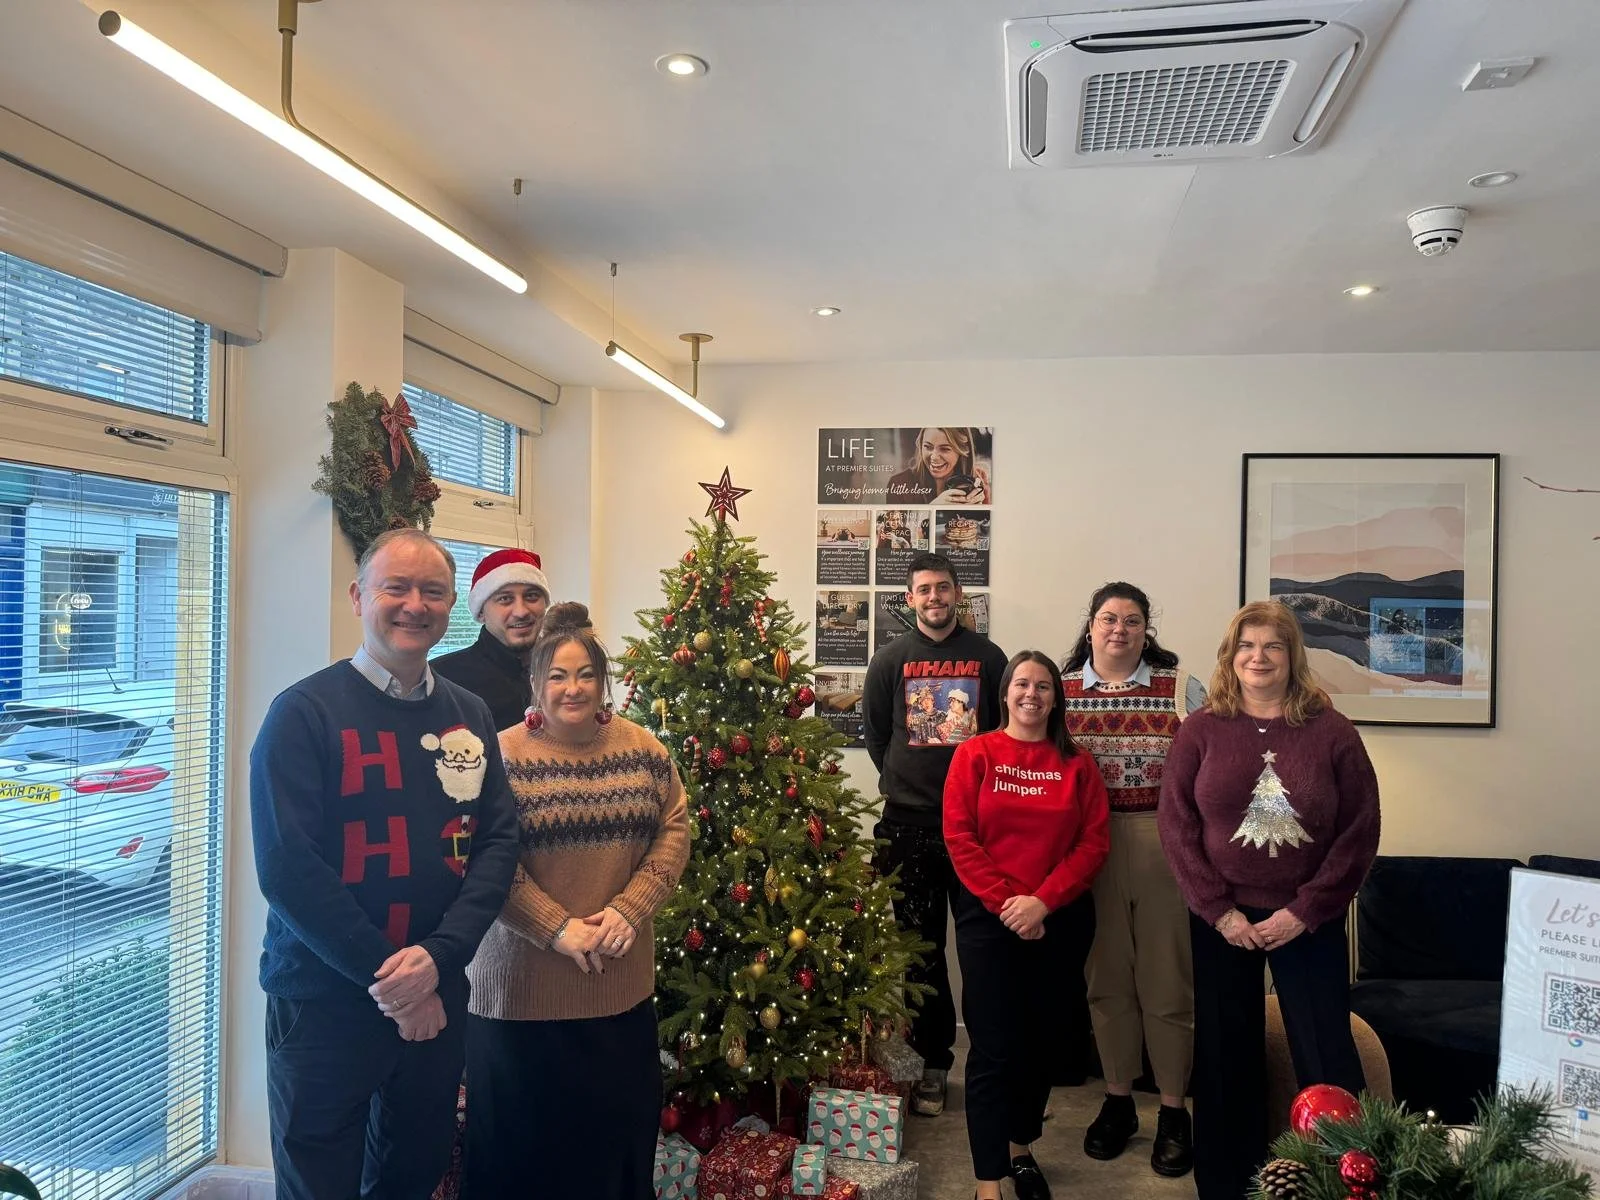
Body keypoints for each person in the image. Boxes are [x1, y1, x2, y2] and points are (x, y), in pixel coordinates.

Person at [250, 528, 520, 1200]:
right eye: (395, 587)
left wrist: (437, 960)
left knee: (412, 1172)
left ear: (452, 604)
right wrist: (396, 980)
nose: (413, 604)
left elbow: (496, 842)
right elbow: (287, 867)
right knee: (319, 1183)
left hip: (438, 993)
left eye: (432, 591)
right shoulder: (302, 714)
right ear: (358, 596)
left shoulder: (470, 714)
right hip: (323, 1003)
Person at [464, 602, 689, 1198]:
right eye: (558, 676)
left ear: (603, 680)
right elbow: (484, 854)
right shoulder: (500, 755)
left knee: (613, 1149)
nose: (573, 688)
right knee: (517, 1158)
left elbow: (673, 831)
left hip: (614, 990)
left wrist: (627, 911)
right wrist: (555, 927)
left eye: (585, 674)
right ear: (536, 683)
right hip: (517, 996)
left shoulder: (643, 749)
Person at [1159, 601, 1381, 1200]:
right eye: (1247, 646)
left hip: (1307, 920)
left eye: (1273, 646)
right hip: (1220, 919)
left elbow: (1360, 828)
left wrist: (1306, 910)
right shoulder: (1201, 729)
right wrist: (1219, 910)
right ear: (1232, 657)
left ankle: (1348, 1181)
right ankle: (1229, 1184)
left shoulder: (1332, 731)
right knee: (1225, 1053)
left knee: (1326, 1049)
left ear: (1292, 657)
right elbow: (1176, 825)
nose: (1259, 657)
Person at [945, 650, 1110, 1200]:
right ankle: (987, 1179)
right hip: (989, 919)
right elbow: (961, 840)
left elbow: (1092, 845)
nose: (1031, 694)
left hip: (1058, 919)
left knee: (1039, 1044)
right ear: (1005, 693)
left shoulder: (1077, 762)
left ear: (1056, 698)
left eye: (1043, 686)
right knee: (993, 1047)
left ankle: (1021, 1150)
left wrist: (1041, 902)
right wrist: (1010, 904)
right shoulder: (975, 754)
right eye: (1022, 684)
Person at [1060, 582, 1208, 1176]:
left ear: (1147, 628)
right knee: (1106, 982)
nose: (1118, 629)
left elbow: (1217, 761)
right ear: (1090, 626)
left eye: (1132, 620)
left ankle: (1174, 1112)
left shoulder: (1180, 687)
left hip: (1163, 843)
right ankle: (1117, 1100)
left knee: (1169, 984)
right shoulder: (1061, 692)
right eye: (1107, 619)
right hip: (1089, 846)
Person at [864, 551, 1009, 1116]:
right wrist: (905, 780)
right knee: (920, 953)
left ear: (957, 594)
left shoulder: (988, 657)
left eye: (943, 588)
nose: (934, 598)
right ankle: (933, 1064)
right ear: (910, 598)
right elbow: (877, 733)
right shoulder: (890, 660)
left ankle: (992, 1067)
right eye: (923, 589)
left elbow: (1006, 731)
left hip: (979, 829)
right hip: (909, 827)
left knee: (982, 951)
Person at [431, 547, 551, 731]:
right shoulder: (442, 679)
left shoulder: (561, 671)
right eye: (505, 599)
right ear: (480, 613)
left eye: (531, 596)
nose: (521, 611)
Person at [886, 427, 991, 505]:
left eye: (945, 449)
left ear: (963, 450)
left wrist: (980, 510)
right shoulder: (898, 483)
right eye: (928, 447)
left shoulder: (978, 478)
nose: (934, 457)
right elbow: (892, 532)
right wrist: (933, 508)